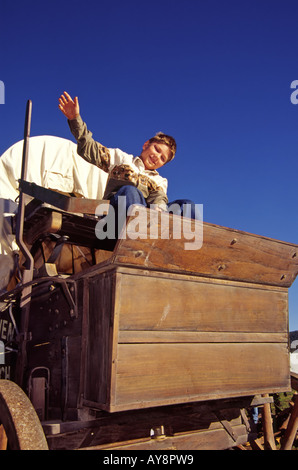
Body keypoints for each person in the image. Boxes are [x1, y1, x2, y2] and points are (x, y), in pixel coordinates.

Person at [58, 92, 198, 236]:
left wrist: (159, 210)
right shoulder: (120, 158)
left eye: (162, 158)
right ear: (146, 145)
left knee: (187, 205)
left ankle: (180, 247)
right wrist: (75, 119)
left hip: (149, 220)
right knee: (130, 191)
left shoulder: (160, 180)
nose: (157, 157)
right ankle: (136, 239)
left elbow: (159, 198)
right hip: (115, 218)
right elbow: (90, 148)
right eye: (156, 149)